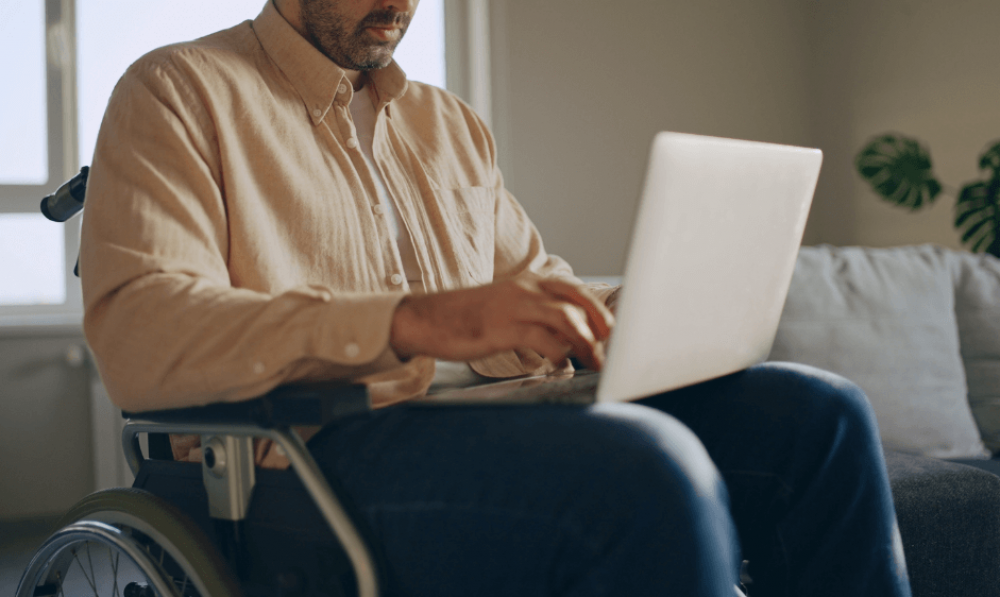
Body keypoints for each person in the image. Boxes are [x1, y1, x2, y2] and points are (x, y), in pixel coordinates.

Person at [79, 0, 913, 595]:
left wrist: (625, 308)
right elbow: (144, 330)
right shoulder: (177, 90)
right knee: (641, 468)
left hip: (499, 413)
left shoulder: (449, 124)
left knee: (820, 414)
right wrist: (414, 320)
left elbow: (530, 287)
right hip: (312, 451)